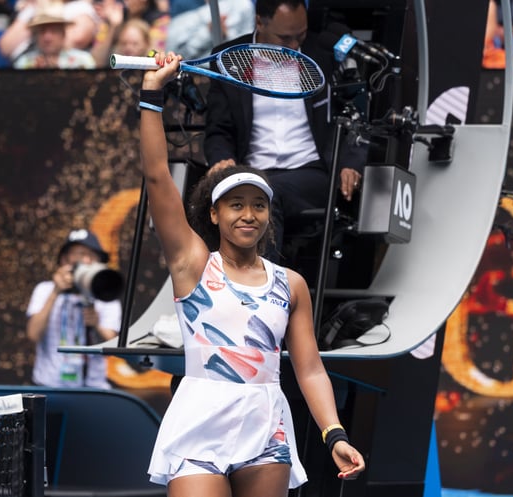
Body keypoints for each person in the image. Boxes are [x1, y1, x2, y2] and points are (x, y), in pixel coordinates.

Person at [138, 51, 366, 495]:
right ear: (215, 214)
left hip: (266, 427)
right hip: (200, 422)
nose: (249, 215)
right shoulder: (194, 264)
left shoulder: (290, 284)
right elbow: (156, 176)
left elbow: (311, 370)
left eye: (258, 205)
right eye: (236, 205)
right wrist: (152, 93)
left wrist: (333, 433)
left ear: (269, 215)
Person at [202, 0, 368, 263]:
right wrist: (222, 158)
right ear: (259, 22)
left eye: (299, 35)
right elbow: (218, 129)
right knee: (218, 194)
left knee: (265, 194)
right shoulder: (229, 57)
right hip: (251, 170)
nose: (294, 46)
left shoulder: (323, 54)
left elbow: (351, 118)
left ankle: (263, 289)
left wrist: (350, 163)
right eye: (284, 37)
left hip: (311, 172)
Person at [26, 229, 122, 389]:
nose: (85, 260)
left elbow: (113, 348)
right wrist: (56, 292)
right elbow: (33, 334)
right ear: (64, 260)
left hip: (93, 388)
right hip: (49, 387)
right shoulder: (44, 290)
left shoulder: (106, 295)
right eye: (78, 255)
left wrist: (96, 324)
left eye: (91, 256)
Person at [0, 0, 98, 65]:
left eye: (54, 30)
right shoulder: (25, 63)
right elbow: (5, 47)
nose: (47, 37)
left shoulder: (83, 61)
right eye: (42, 31)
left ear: (63, 33)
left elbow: (78, 39)